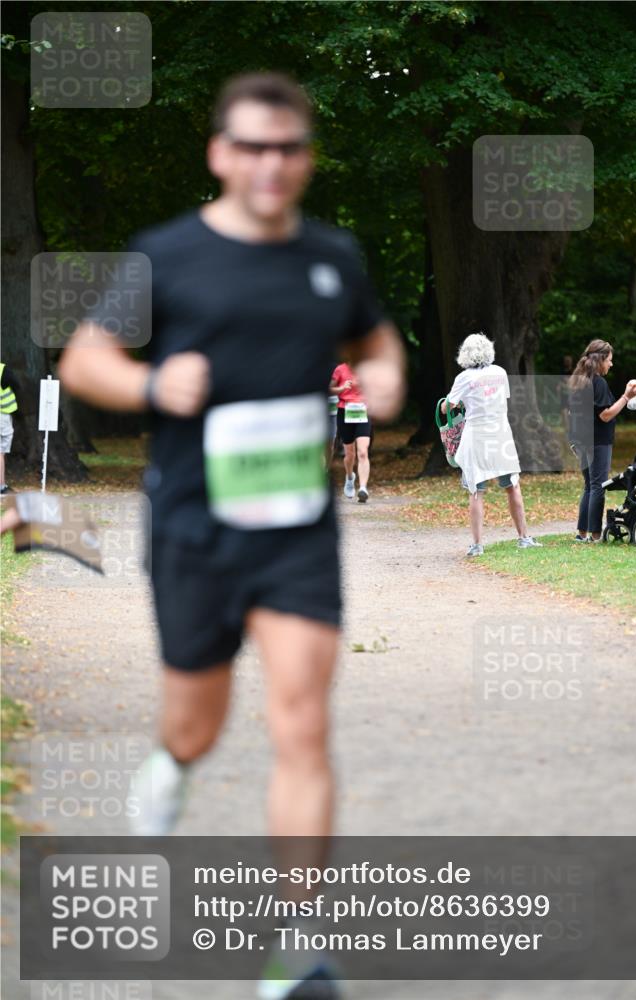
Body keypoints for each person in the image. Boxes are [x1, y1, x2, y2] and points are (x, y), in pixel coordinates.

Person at [59, 71, 405, 998]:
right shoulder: (165, 256)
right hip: (192, 528)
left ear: (305, 160)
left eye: (287, 148)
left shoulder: (331, 257)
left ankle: (297, 947)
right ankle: (170, 767)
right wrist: (147, 388)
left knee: (301, 720)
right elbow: (84, 356)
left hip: (295, 529)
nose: (269, 163)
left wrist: (384, 383)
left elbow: (376, 345)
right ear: (219, 153)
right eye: (251, 145)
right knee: (195, 724)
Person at [441, 332, 541, 556]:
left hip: (476, 437)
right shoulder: (500, 372)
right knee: (512, 486)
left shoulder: (464, 378)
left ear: (465, 354)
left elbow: (449, 406)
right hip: (500, 435)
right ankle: (524, 537)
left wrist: (446, 406)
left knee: (477, 491)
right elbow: (499, 399)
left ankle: (477, 545)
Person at [567, 339, 636, 542]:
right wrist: (626, 397)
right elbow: (605, 415)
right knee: (597, 486)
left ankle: (582, 533)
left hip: (581, 441)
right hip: (597, 441)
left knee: (589, 485)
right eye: (609, 360)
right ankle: (595, 535)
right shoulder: (598, 382)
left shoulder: (578, 380)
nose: (611, 364)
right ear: (600, 360)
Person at [329, 360, 372, 502]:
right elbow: (330, 389)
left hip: (363, 411)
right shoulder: (340, 369)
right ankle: (349, 477)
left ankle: (363, 488)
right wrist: (341, 389)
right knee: (349, 453)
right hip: (345, 411)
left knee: (363, 451)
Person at [0, 361, 18, 494]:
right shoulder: (2, 370)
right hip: (2, 415)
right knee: (0, 452)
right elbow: (17, 385)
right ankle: (1, 486)